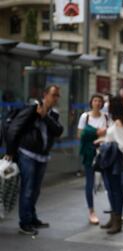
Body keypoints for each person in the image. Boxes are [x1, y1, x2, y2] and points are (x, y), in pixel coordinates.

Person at [5, 85, 63, 235]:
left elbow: (58, 131)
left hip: (42, 156)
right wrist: (10, 152)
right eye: (54, 95)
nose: (56, 98)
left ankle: (32, 218)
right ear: (45, 95)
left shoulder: (53, 114)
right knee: (28, 189)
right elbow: (13, 128)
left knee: (36, 190)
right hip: (27, 154)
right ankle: (25, 223)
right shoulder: (32, 108)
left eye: (58, 96)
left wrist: (45, 116)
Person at [95, 96, 123, 234]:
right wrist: (103, 139)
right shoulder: (116, 121)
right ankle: (113, 219)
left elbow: (122, 145)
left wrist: (105, 144)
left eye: (109, 104)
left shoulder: (118, 123)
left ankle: (117, 222)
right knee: (111, 191)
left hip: (113, 162)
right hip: (110, 161)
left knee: (115, 192)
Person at [77, 94, 108, 225]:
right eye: (95, 100)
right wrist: (96, 132)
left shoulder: (105, 117)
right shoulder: (85, 116)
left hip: (103, 152)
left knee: (107, 181)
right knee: (89, 182)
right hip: (89, 152)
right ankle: (91, 211)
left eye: (100, 101)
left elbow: (108, 133)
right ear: (91, 102)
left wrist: (101, 135)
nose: (97, 103)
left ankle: (115, 211)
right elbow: (80, 135)